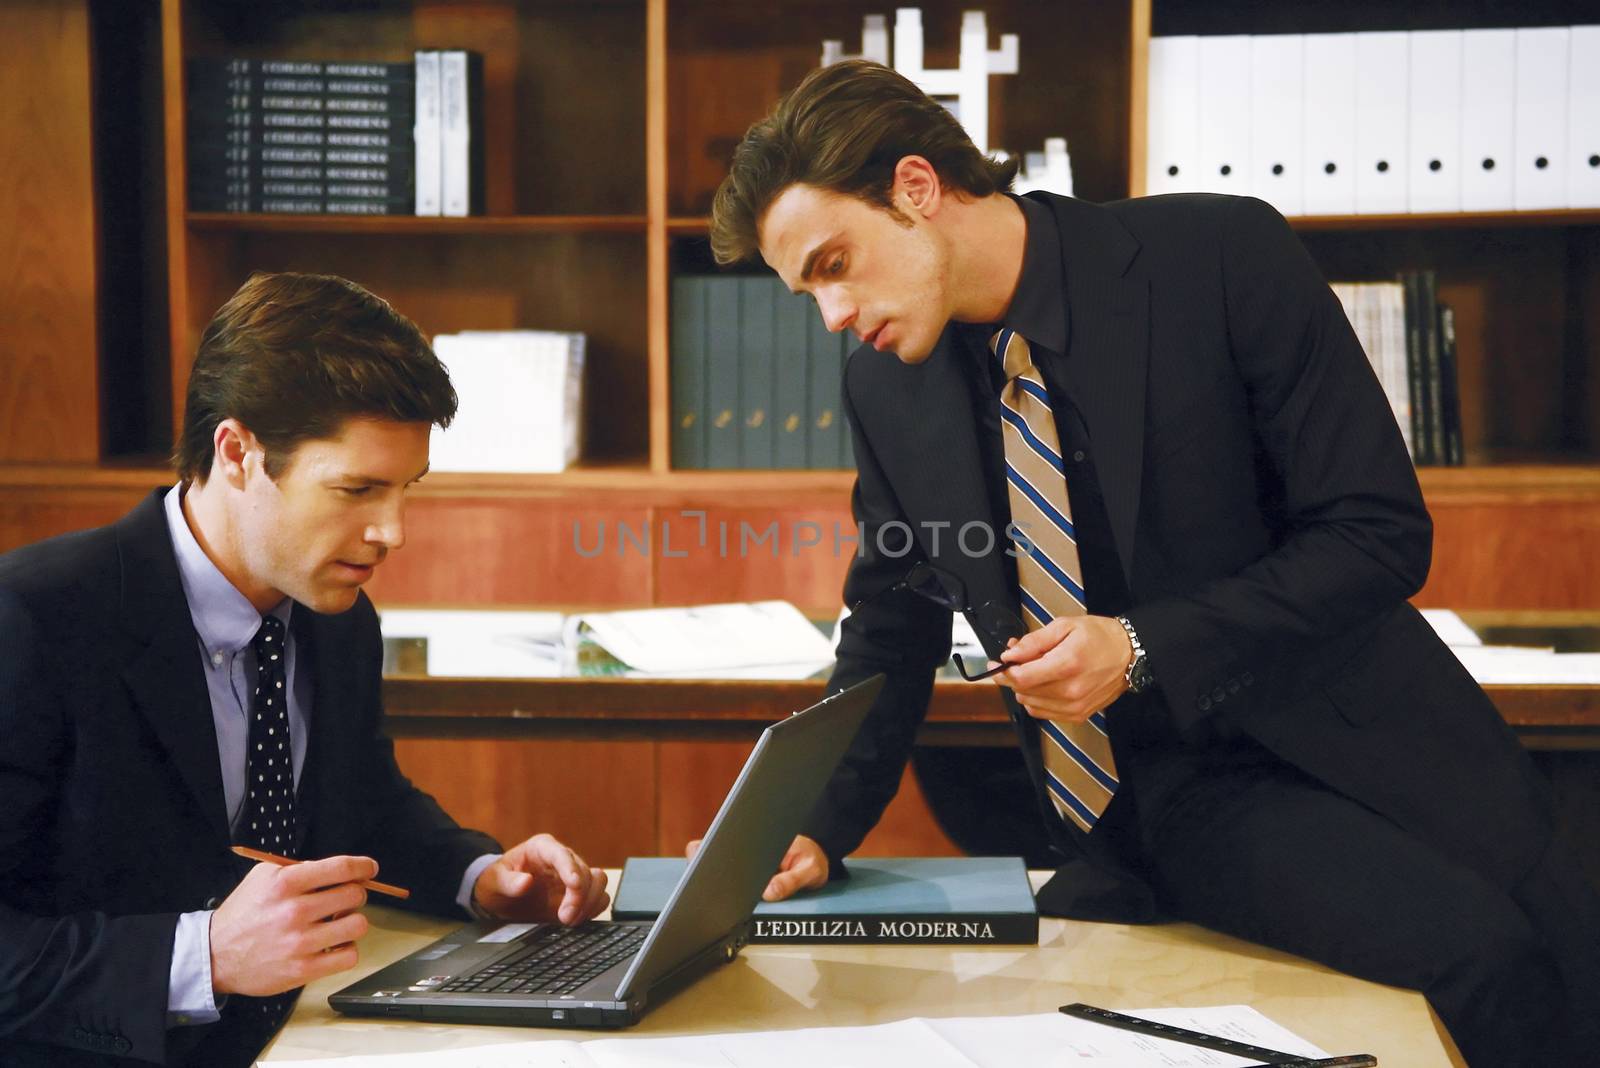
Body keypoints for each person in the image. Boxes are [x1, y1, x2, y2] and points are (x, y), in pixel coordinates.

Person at [706, 60, 1600, 1064]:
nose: (830, 314)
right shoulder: (886, 390)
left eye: (834, 264)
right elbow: (889, 625)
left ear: (916, 187)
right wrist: (815, 826)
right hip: (1167, 804)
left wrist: (1138, 645)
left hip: (1364, 739)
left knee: (1539, 968)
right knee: (1474, 955)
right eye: (805, 292)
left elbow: (1374, 530)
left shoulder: (1217, 255)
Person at [0, 273, 610, 1067]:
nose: (392, 532)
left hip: (309, 1036)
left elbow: (362, 804)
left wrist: (480, 875)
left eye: (405, 490)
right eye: (357, 489)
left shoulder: (335, 617)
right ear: (238, 452)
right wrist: (201, 956)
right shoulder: (35, 619)